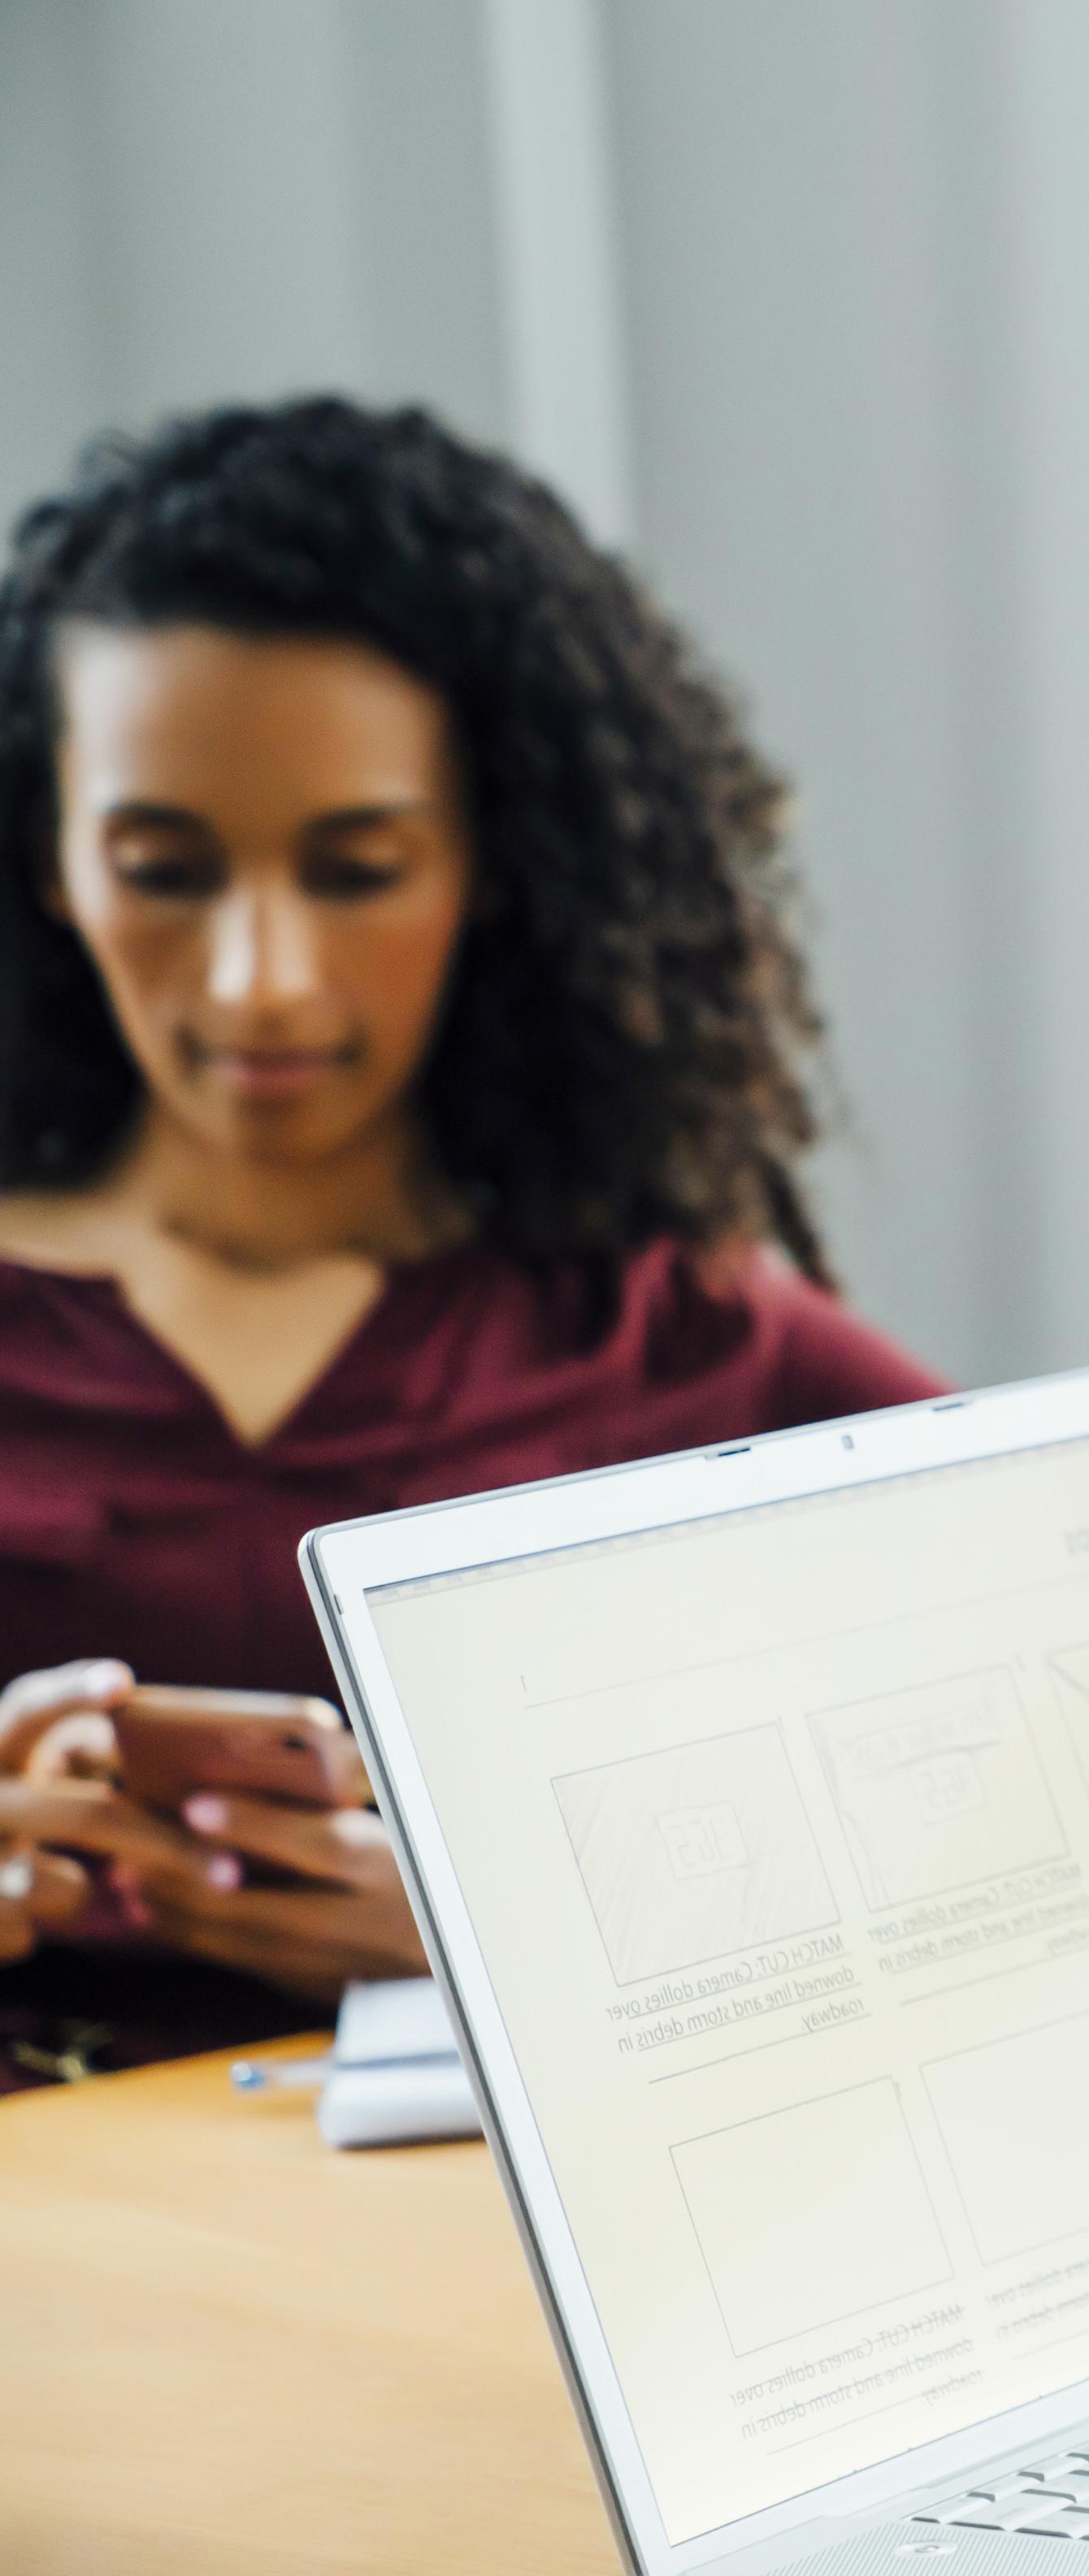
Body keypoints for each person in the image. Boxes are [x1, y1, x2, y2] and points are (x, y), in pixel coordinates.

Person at [0, 399, 947, 2084]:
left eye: (358, 869)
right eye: (163, 867)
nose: (260, 981)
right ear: (51, 860)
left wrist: (520, 1940)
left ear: (500, 863)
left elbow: (1066, 1777)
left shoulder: (694, 1339)